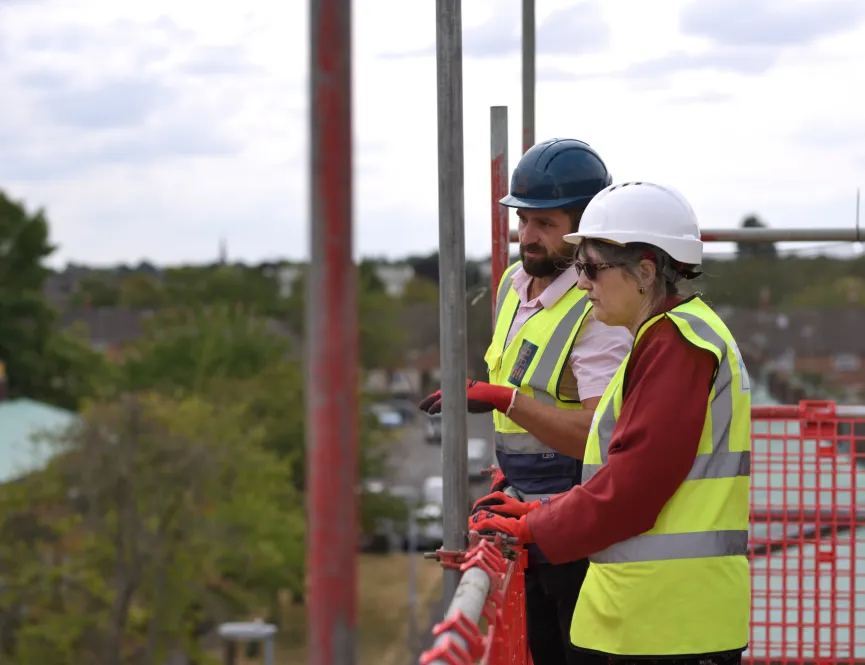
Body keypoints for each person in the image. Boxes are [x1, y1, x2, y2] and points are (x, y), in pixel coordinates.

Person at [469, 181, 752, 665]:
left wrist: (535, 526)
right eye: (580, 268)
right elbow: (630, 472)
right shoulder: (662, 338)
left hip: (670, 624)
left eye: (593, 269)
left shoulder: (678, 346)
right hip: (663, 621)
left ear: (644, 272)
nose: (582, 284)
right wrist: (540, 511)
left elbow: (634, 488)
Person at [419, 138, 633, 665]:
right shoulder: (516, 285)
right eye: (522, 221)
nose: (527, 237)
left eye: (545, 224)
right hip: (526, 510)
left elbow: (596, 436)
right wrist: (505, 471)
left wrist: (501, 399)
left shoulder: (596, 312)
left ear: (583, 231)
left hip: (577, 522)